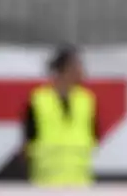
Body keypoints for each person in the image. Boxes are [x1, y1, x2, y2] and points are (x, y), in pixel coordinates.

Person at [22, 45, 98, 187]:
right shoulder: (39, 100)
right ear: (65, 69)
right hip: (46, 182)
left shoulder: (87, 100)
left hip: (80, 181)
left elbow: (93, 135)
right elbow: (28, 140)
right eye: (77, 64)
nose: (82, 70)